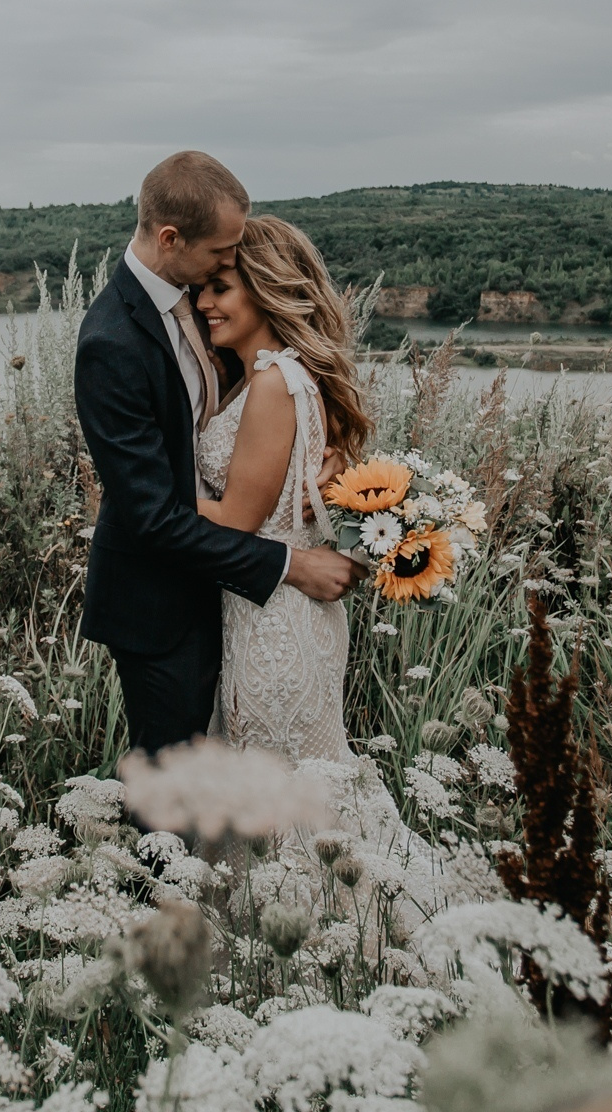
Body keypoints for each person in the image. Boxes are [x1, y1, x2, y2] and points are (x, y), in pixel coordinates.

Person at [192, 211, 466, 925]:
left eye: (221, 287)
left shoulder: (274, 383)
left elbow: (235, 521)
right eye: (201, 289)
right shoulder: (286, 377)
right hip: (290, 611)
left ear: (266, 289)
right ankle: (341, 933)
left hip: (272, 623)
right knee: (307, 788)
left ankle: (314, 941)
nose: (205, 302)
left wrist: (147, 497)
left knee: (283, 801)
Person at [74, 151, 359, 759]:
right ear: (170, 239)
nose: (224, 266)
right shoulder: (112, 341)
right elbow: (153, 516)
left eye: (228, 272)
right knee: (174, 785)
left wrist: (320, 465)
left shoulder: (205, 311)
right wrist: (290, 563)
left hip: (237, 602)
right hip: (162, 609)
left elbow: (270, 400)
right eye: (219, 254)